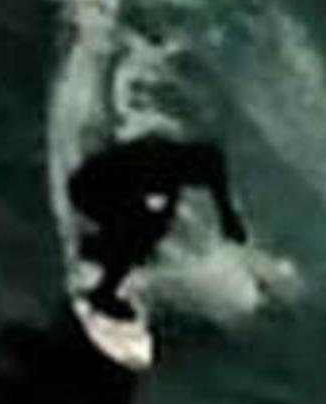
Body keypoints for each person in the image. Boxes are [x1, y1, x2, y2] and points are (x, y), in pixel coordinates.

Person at [66, 134, 246, 319]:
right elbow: (139, 206)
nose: (195, 184)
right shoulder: (159, 162)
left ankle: (105, 250)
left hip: (118, 187)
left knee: (153, 228)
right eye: (194, 179)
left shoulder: (210, 163)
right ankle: (103, 291)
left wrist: (230, 220)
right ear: (189, 167)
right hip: (88, 188)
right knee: (141, 232)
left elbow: (220, 194)